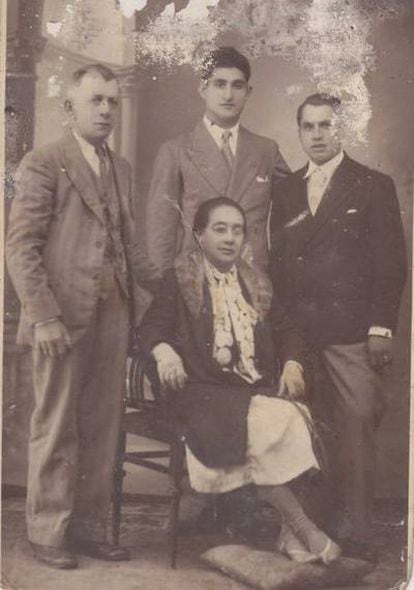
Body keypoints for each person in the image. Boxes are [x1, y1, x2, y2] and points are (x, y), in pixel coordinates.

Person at [139, 196, 342, 565]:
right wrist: (164, 351)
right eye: (220, 229)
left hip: (246, 389)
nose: (230, 238)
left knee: (298, 417)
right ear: (199, 235)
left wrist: (293, 362)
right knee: (270, 421)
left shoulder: (255, 283)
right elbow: (150, 327)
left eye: (237, 230)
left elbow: (287, 329)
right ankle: (303, 528)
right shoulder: (181, 277)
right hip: (199, 391)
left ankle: (289, 535)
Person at [6, 63, 153, 569]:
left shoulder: (122, 169)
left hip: (113, 317)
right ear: (71, 108)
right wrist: (44, 316)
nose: (107, 109)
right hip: (60, 319)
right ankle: (47, 532)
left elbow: (130, 249)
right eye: (96, 100)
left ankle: (88, 528)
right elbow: (20, 246)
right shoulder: (44, 162)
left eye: (113, 101)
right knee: (55, 424)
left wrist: (148, 310)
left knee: (101, 425)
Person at [269, 93, 407, 559]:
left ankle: (358, 535)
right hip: (301, 337)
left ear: (341, 129)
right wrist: (287, 339)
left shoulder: (372, 185)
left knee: (354, 431)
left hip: (351, 334)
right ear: (300, 132)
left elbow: (392, 265)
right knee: (305, 431)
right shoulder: (286, 190)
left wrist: (380, 328)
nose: (317, 135)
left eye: (326, 125)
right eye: (308, 127)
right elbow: (280, 264)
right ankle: (312, 533)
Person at [146, 45, 289, 274]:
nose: (228, 95)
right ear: (203, 89)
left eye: (237, 85)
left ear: (248, 92)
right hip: (196, 282)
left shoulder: (266, 151)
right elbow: (160, 234)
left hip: (254, 284)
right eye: (219, 84)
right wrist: (166, 291)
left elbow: (295, 212)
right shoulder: (176, 151)